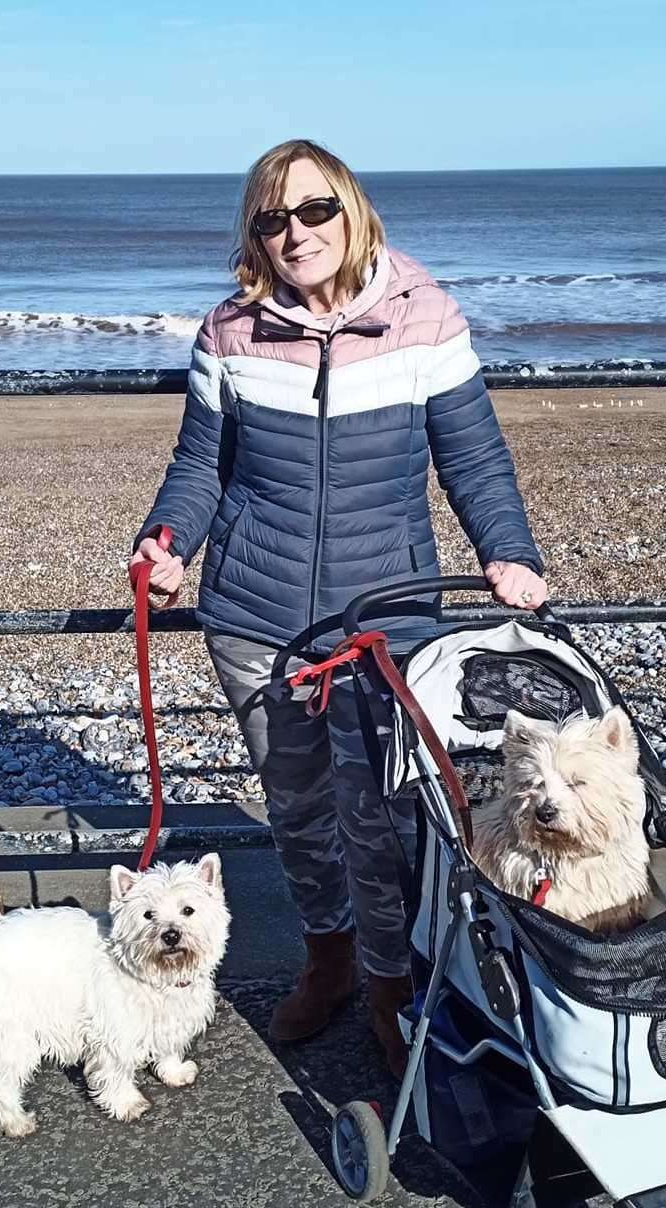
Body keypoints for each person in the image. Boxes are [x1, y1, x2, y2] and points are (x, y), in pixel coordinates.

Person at [128, 139, 547, 1077]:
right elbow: (201, 465)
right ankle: (327, 959)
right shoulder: (230, 331)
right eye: (273, 219)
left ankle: (391, 983)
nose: (296, 233)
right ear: (256, 235)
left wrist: (508, 553)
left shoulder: (426, 317)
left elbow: (473, 458)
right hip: (255, 612)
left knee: (386, 810)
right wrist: (167, 543)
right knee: (300, 807)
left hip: (383, 619)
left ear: (351, 211)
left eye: (315, 211)